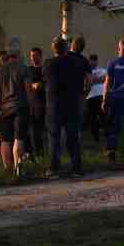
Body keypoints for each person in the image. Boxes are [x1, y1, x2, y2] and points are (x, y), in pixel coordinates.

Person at [43, 36, 89, 177]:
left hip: (54, 105)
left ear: (53, 49)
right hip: (71, 103)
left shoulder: (48, 64)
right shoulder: (75, 62)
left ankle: (53, 169)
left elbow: (44, 80)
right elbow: (86, 79)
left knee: (54, 137)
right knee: (73, 137)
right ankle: (76, 168)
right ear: (66, 48)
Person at [0, 49, 29, 178]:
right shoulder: (22, 69)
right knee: (19, 138)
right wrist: (33, 104)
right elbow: (28, 88)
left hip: (4, 109)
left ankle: (7, 170)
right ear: (17, 56)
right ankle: (18, 168)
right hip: (19, 107)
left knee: (6, 139)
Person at [26, 46, 47, 158]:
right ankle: (38, 154)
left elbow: (42, 84)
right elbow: (28, 85)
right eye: (31, 56)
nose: (33, 58)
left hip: (45, 103)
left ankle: (48, 153)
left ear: (40, 56)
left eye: (35, 56)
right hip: (33, 105)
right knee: (35, 132)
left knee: (46, 131)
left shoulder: (45, 69)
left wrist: (37, 85)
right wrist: (34, 85)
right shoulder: (28, 70)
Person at [85, 53, 106, 142]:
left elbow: (105, 79)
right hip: (90, 96)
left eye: (94, 61)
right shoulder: (87, 72)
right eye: (91, 61)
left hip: (101, 95)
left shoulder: (103, 70)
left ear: (97, 61)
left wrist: (93, 80)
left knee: (103, 115)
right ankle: (95, 136)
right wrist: (97, 79)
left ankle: (106, 134)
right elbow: (87, 81)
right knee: (92, 117)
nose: (92, 63)